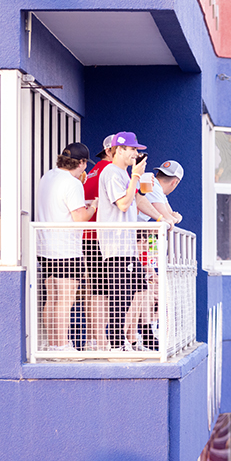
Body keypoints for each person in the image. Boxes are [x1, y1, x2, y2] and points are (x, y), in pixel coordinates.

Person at [36, 143, 98, 353]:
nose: (85, 170)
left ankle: (52, 344)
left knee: (51, 295)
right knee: (65, 298)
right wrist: (94, 206)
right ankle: (62, 345)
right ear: (81, 163)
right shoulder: (72, 184)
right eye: (84, 165)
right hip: (66, 249)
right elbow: (80, 218)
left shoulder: (48, 177)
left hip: (45, 246)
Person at [97, 131, 148, 352]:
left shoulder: (124, 174)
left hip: (128, 246)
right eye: (133, 149)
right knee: (120, 296)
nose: (136, 154)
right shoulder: (111, 172)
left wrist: (161, 217)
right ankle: (116, 344)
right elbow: (124, 204)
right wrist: (136, 176)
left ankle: (125, 340)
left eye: (137, 150)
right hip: (116, 246)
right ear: (119, 150)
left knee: (135, 291)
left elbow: (136, 202)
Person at [81, 134, 115, 351]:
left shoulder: (93, 172)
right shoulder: (108, 171)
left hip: (87, 236)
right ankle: (98, 340)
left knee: (94, 288)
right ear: (113, 151)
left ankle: (93, 339)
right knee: (101, 290)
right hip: (98, 237)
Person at [138, 160, 183, 225]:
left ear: (157, 174)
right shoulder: (153, 185)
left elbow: (170, 213)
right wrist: (177, 219)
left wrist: (173, 217)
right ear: (174, 182)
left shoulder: (159, 189)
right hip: (125, 227)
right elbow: (167, 217)